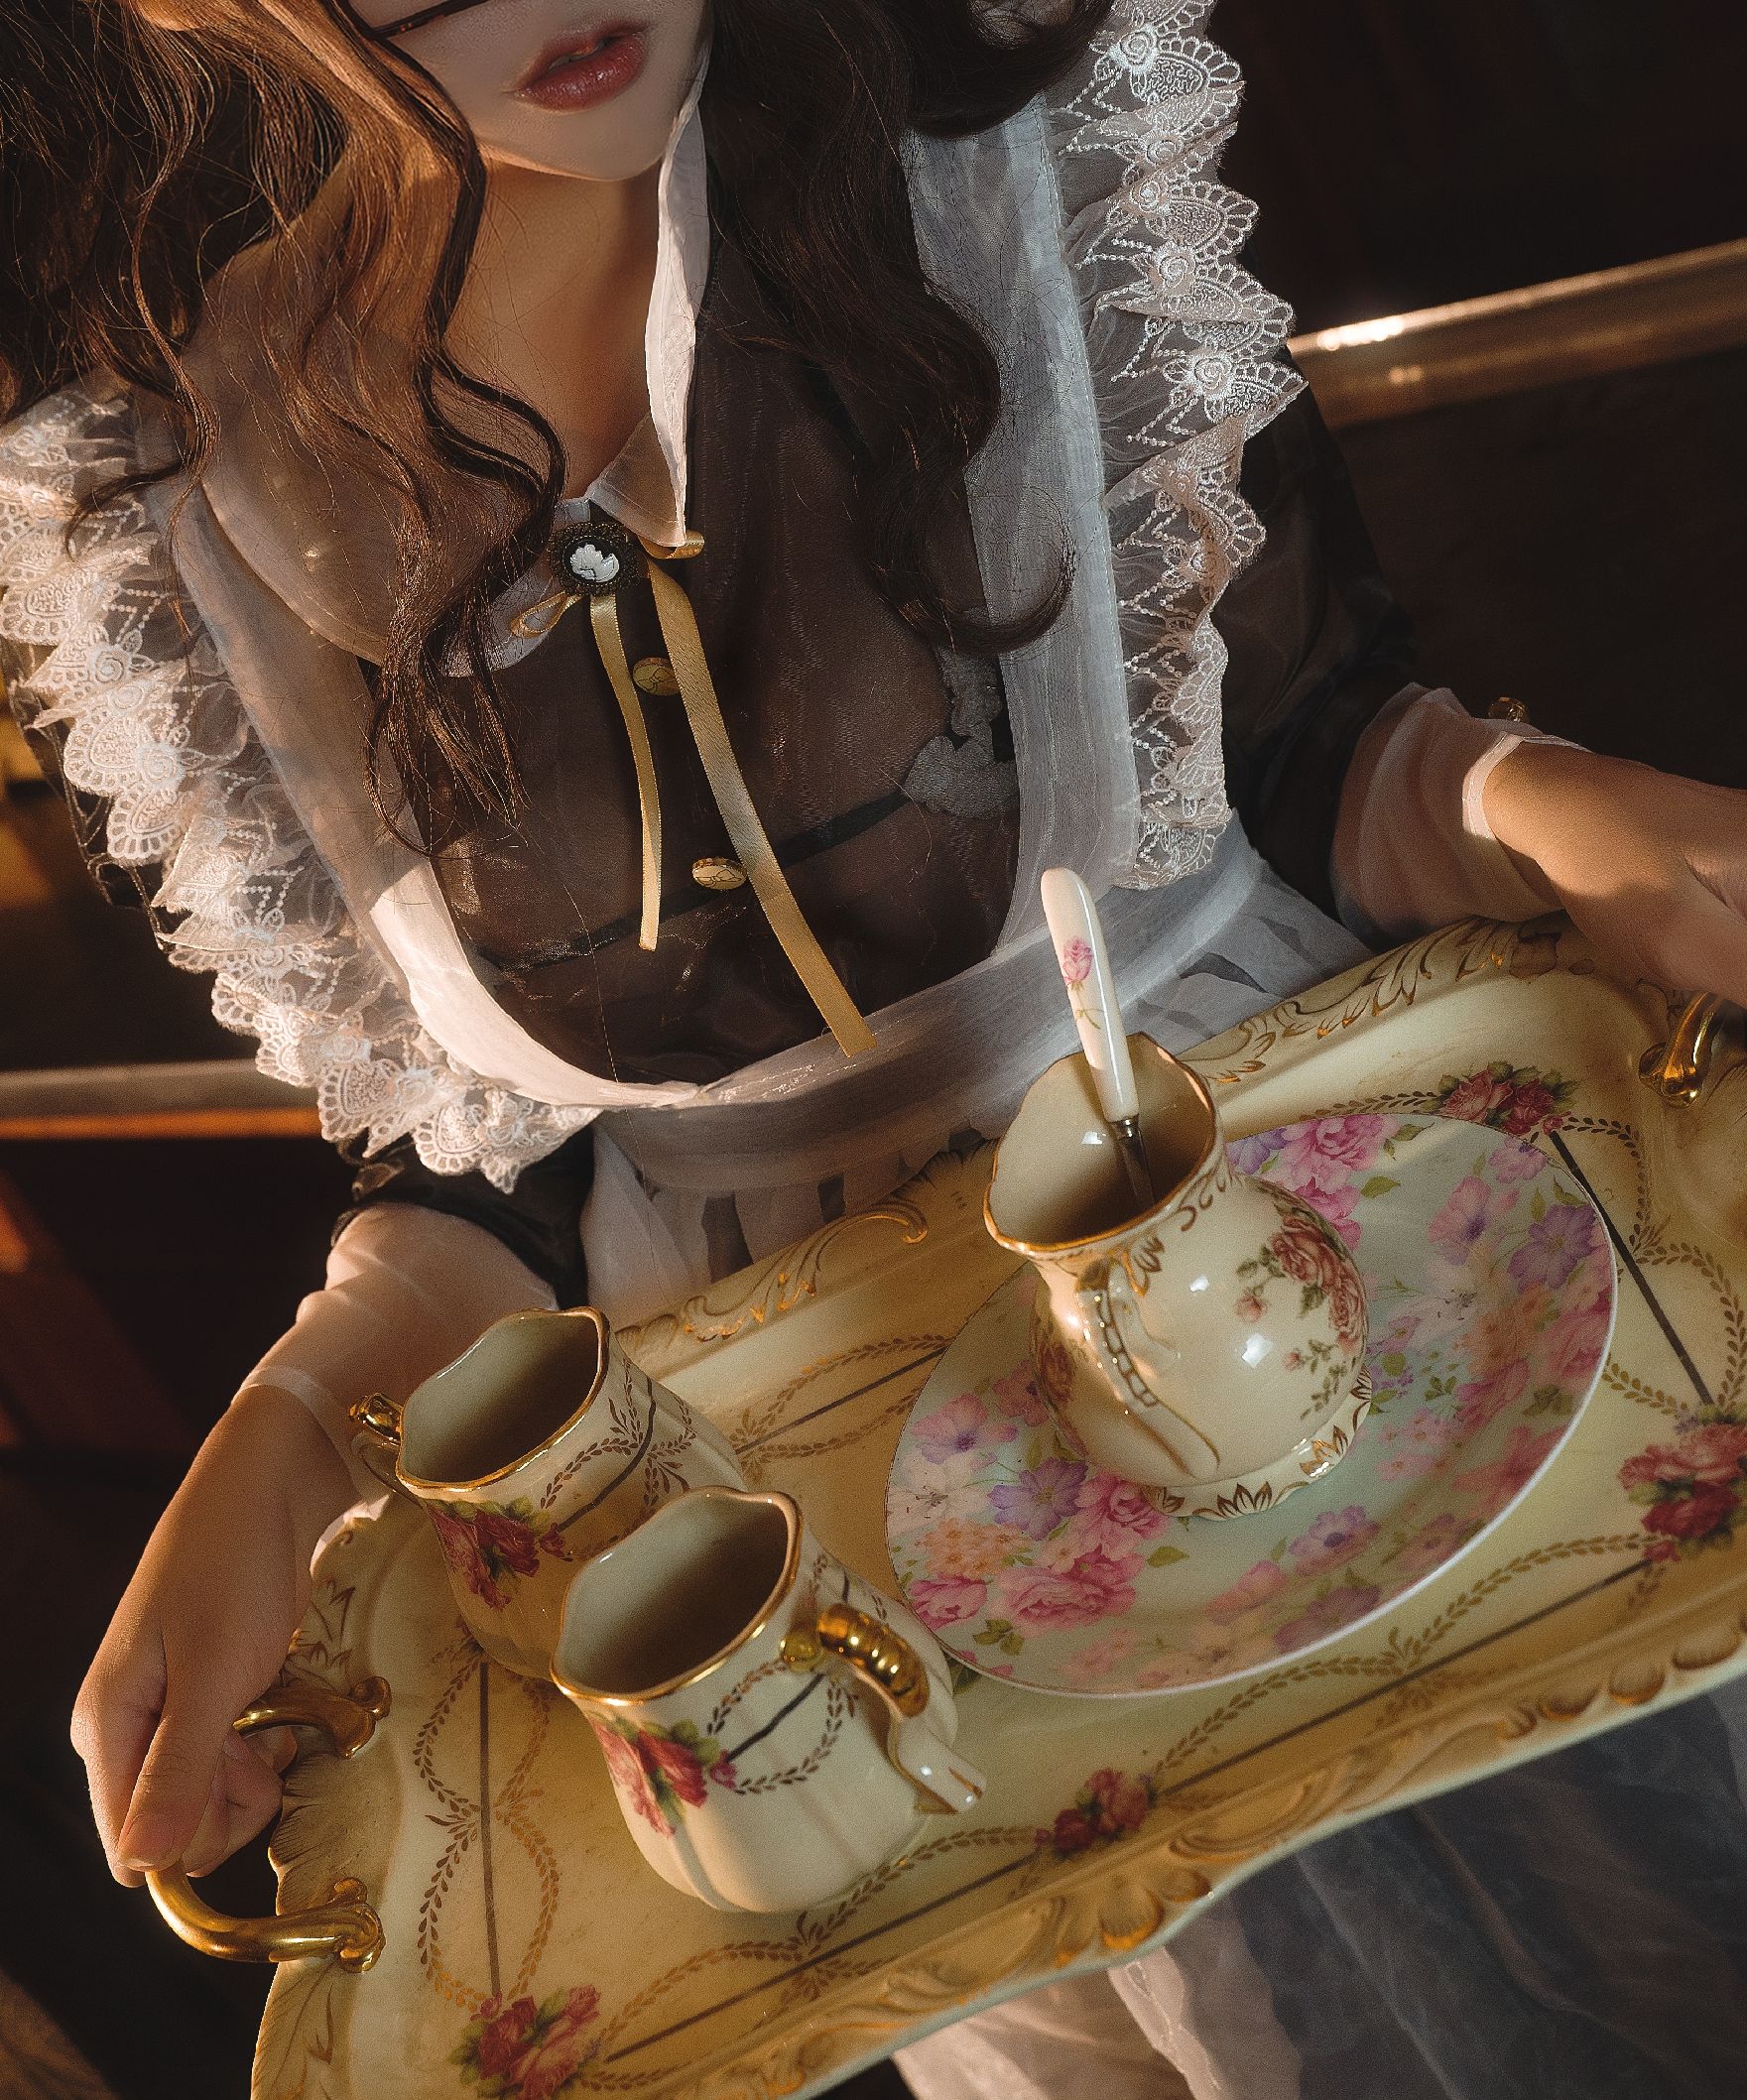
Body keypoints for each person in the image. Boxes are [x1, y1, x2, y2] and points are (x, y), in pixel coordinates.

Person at [2, 1, 1745, 2091]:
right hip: (798, 1534)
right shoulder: (189, 476)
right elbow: (514, 1154)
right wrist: (290, 1423)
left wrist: (1542, 805)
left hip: (1278, 1239)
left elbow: (1302, 743)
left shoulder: (999, 144)